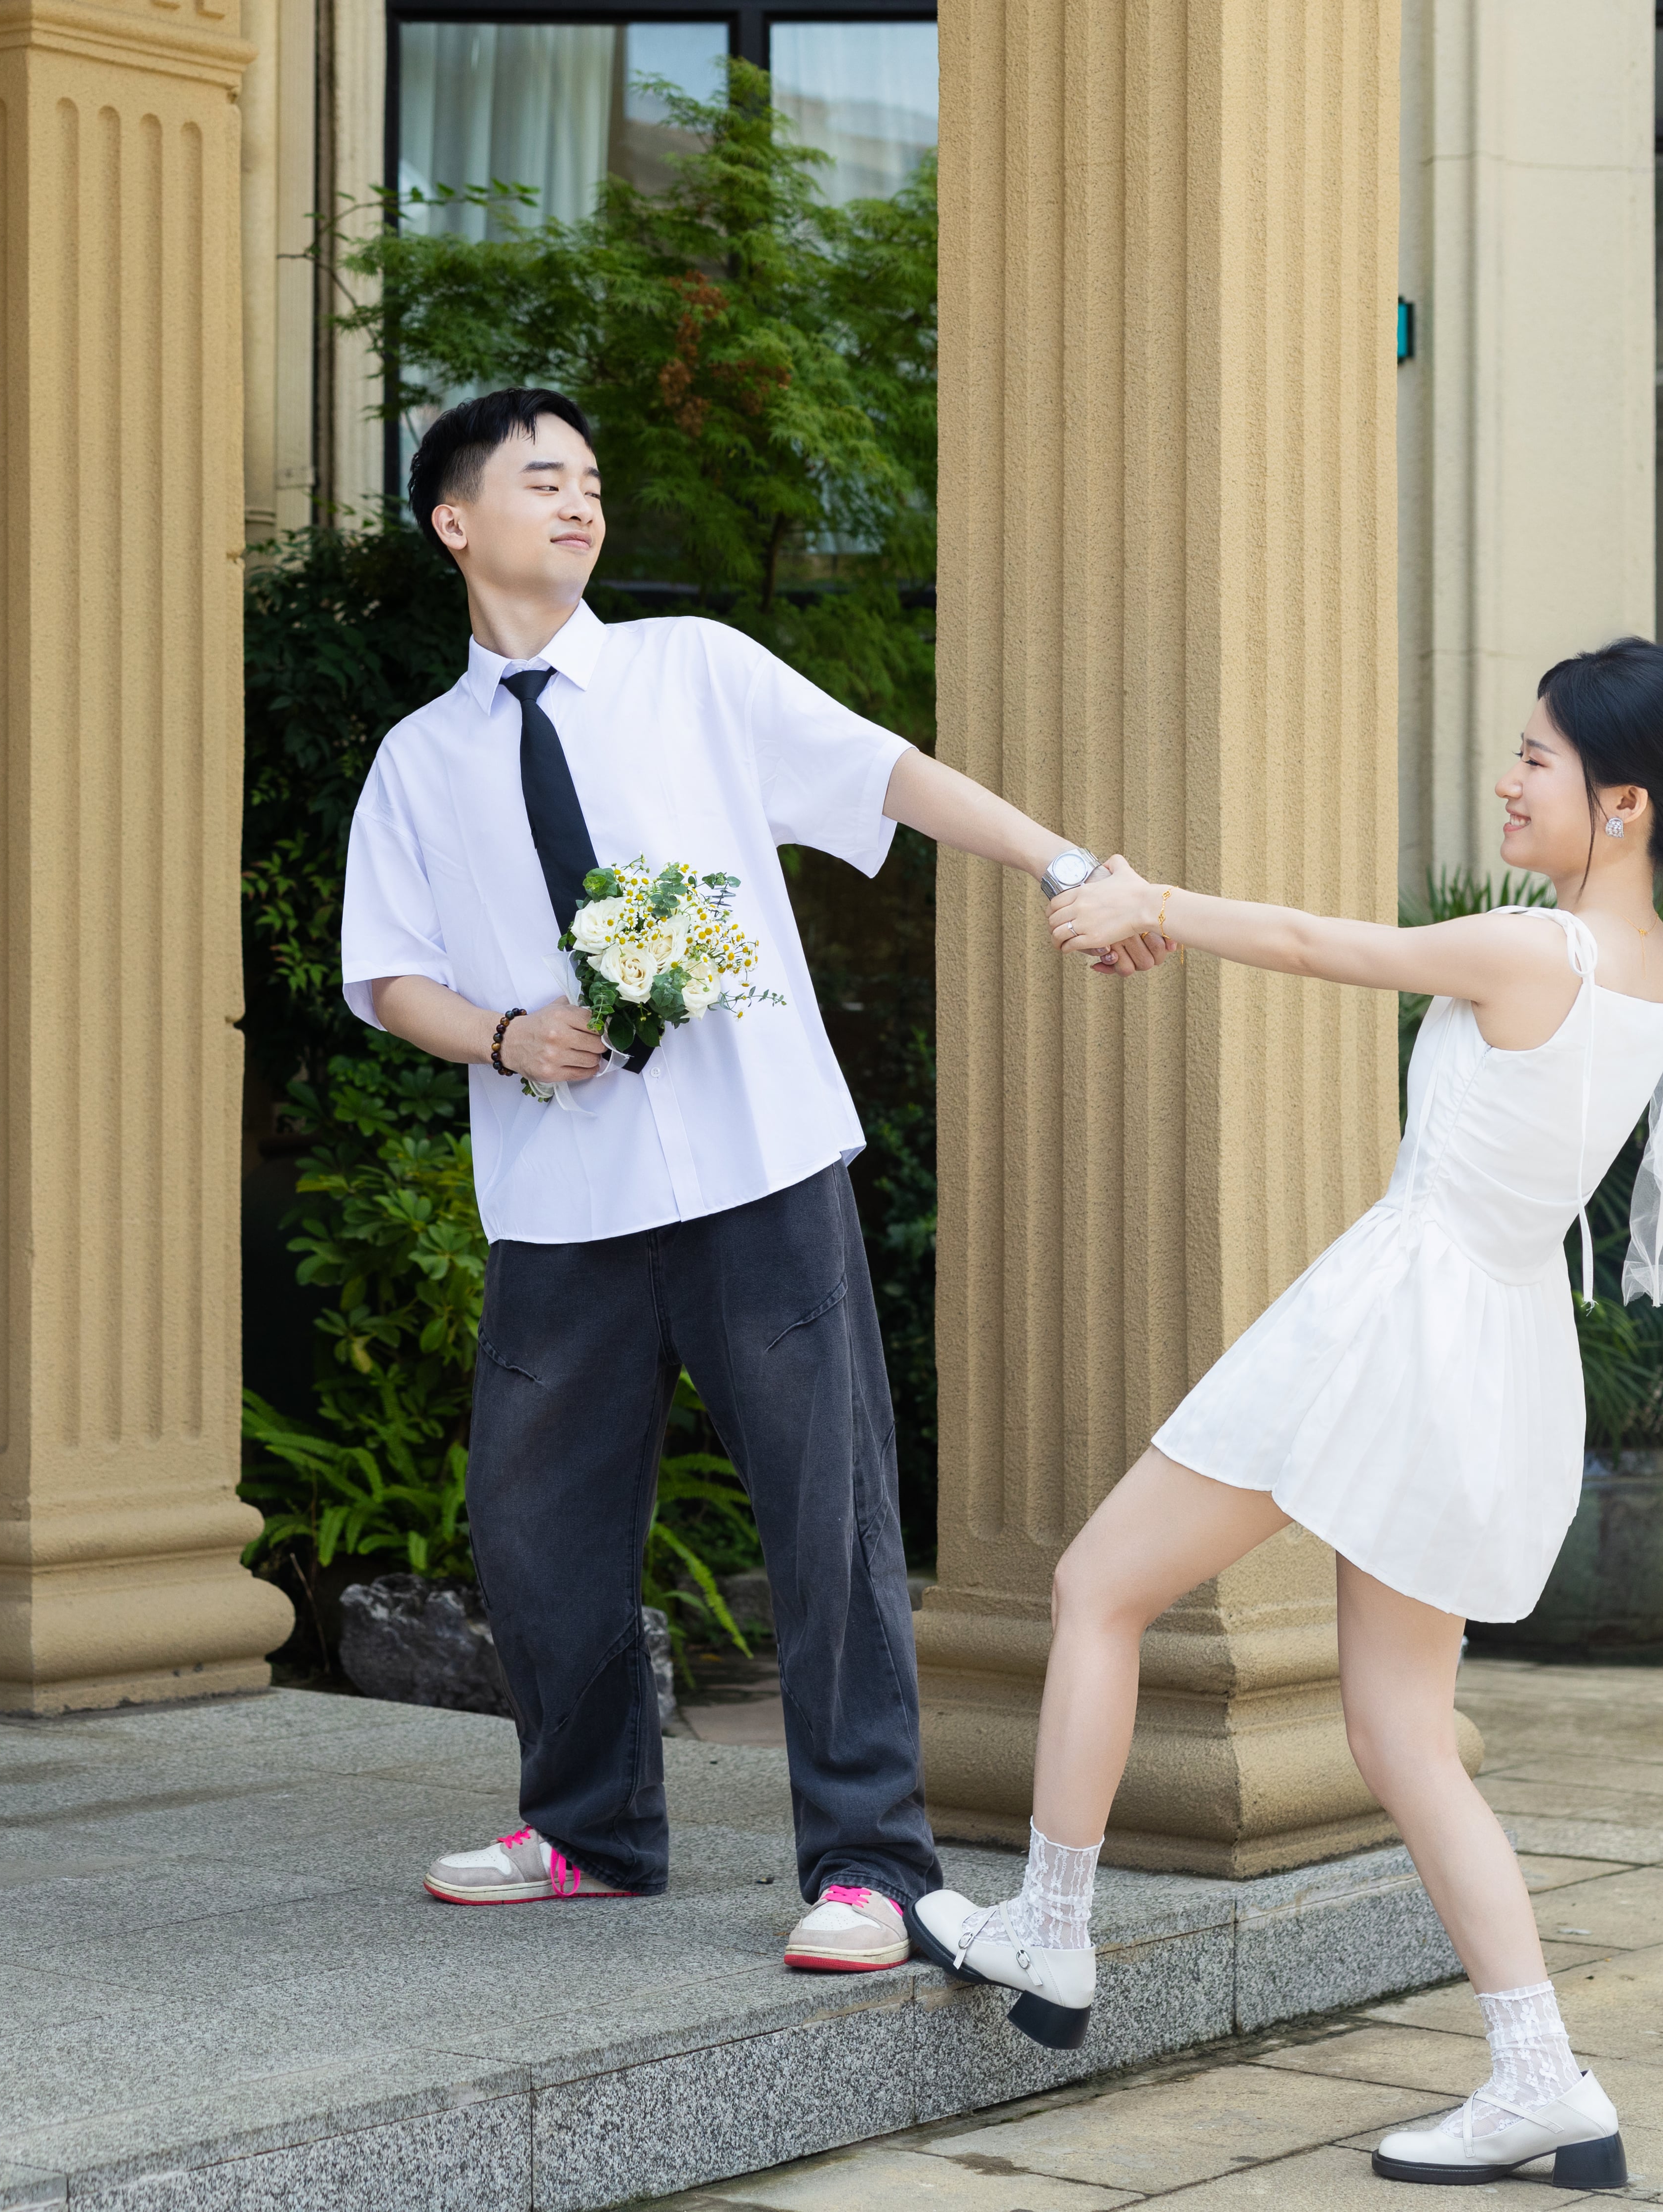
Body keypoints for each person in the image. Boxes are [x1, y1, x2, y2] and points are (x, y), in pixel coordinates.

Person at [943, 638, 1663, 2189]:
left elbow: (1318, 943)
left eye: (1538, 759)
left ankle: (1051, 1928)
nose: (1507, 781)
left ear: (1625, 805)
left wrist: (1146, 900)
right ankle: (1543, 2076)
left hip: (1393, 1321)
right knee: (1404, 1736)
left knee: (1101, 1585)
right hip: (1495, 1344)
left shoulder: (1538, 950)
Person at [341, 388, 1147, 1971]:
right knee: (536, 1526)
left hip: (757, 1165)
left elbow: (887, 774)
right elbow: (386, 974)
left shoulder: (693, 671)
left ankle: (873, 1869)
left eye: (591, 479)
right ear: (456, 521)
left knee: (825, 1516)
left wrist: (1063, 861)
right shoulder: (419, 760)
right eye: (542, 480)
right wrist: (507, 1035)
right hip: (562, 1195)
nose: (580, 502)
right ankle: (587, 1832)